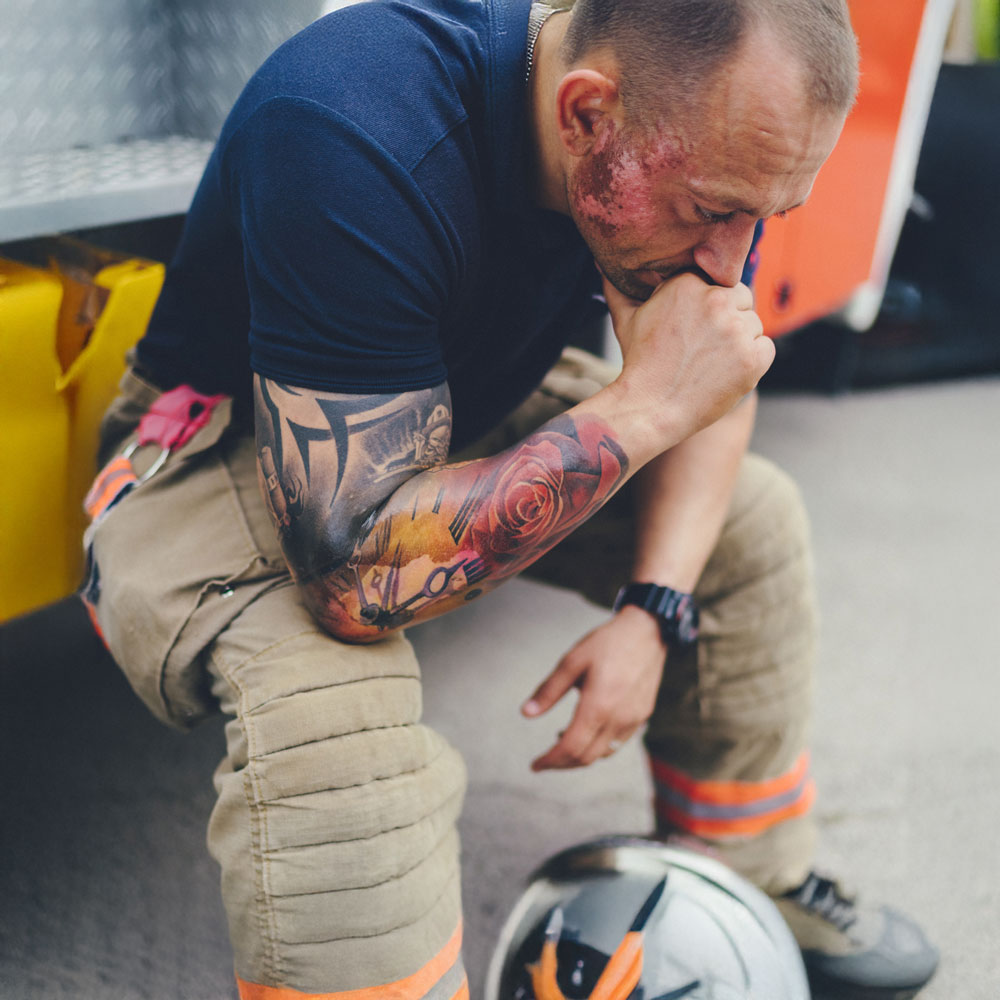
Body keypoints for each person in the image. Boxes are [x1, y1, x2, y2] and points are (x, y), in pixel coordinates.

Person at [81, 0, 939, 997]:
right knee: (334, 709)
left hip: (452, 395)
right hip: (231, 444)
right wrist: (640, 408)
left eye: (761, 217)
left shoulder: (694, 152)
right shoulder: (349, 119)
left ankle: (751, 885)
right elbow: (353, 575)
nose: (727, 258)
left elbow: (713, 384)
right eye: (714, 212)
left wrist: (652, 610)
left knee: (749, 524)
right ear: (585, 115)